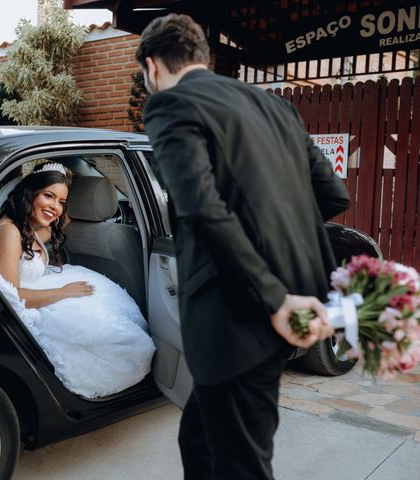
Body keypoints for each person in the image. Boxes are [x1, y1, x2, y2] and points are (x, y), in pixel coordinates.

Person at [137, 13, 350, 480]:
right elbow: (333, 193)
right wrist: (280, 261)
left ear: (152, 67)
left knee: (242, 465)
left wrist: (273, 298)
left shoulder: (170, 105)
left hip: (239, 316)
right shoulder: (275, 107)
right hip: (281, 309)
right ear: (203, 57)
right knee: (198, 438)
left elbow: (201, 208)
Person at [0, 162, 155, 399]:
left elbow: (49, 231)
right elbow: (12, 296)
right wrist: (63, 292)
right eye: (48, 196)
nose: (55, 206)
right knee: (110, 333)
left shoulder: (24, 228)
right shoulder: (9, 232)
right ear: (29, 193)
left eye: (61, 202)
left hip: (39, 287)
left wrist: (59, 216)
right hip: (26, 303)